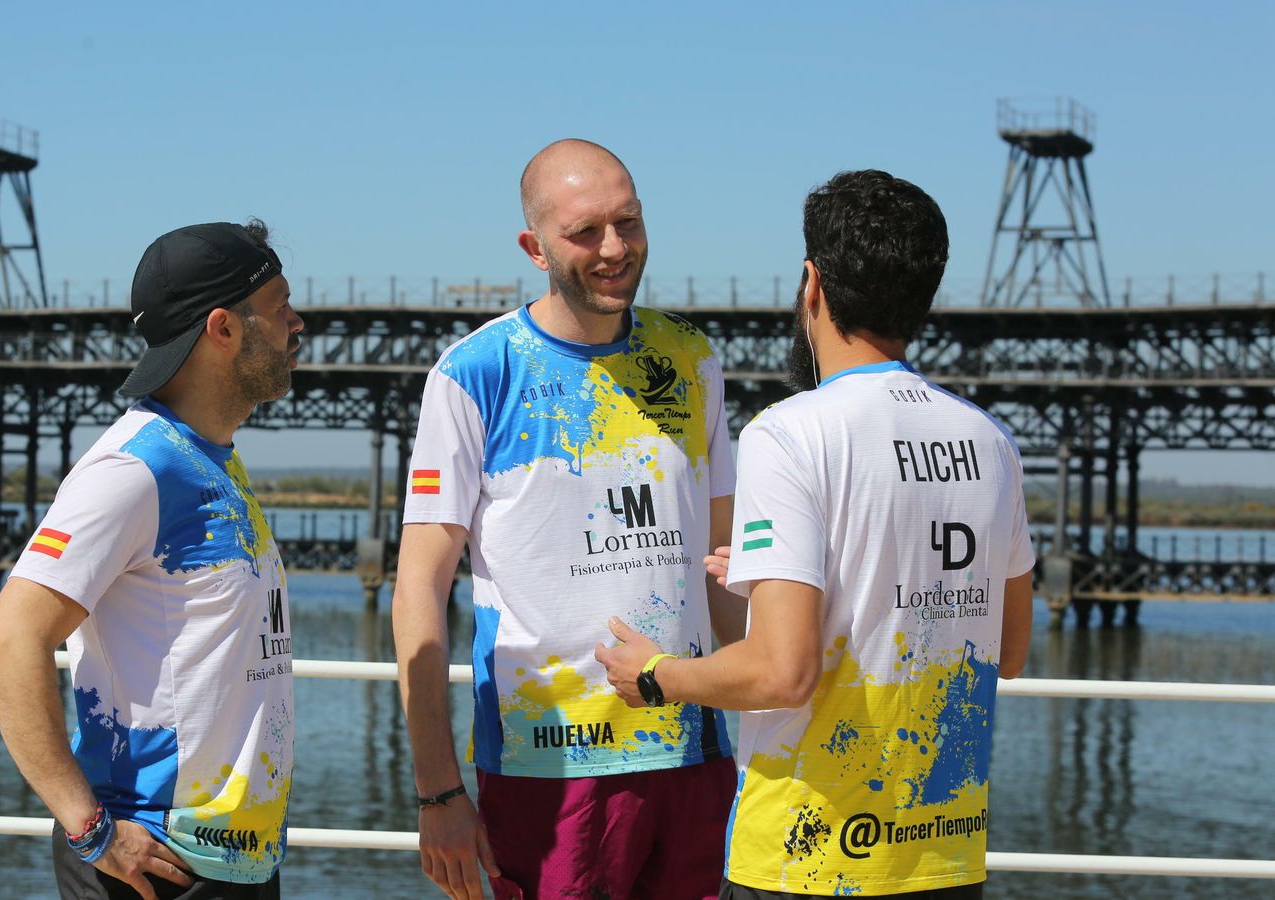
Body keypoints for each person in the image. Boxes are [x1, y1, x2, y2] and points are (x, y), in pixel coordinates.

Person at [597, 170, 1035, 898]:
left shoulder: (790, 433)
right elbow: (1008, 650)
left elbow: (782, 672)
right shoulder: (989, 442)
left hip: (809, 858)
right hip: (942, 857)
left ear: (812, 283)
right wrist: (797, 572)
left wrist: (656, 675)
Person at [394, 139, 743, 900]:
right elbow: (419, 585)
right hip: (545, 765)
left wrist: (782, 692)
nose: (615, 249)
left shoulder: (691, 359)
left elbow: (725, 566)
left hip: (693, 750)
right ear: (535, 247)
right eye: (586, 232)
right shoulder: (475, 372)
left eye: (630, 223)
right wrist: (437, 791)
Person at [0, 220, 303, 900]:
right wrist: (90, 830)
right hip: (154, 864)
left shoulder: (215, 460)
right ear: (224, 329)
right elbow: (7, 640)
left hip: (236, 862)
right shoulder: (135, 468)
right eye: (280, 306)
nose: (298, 324)